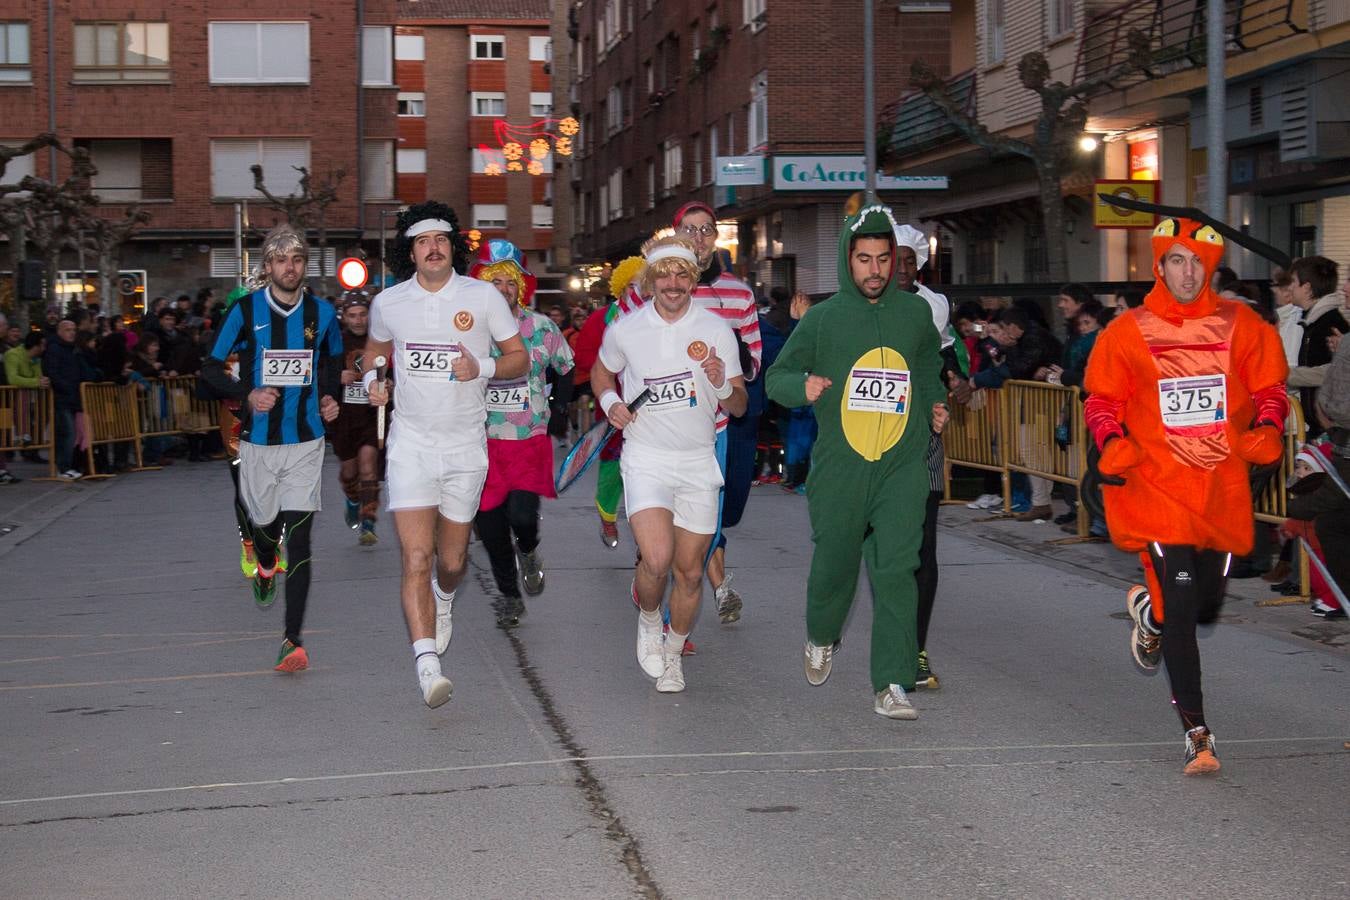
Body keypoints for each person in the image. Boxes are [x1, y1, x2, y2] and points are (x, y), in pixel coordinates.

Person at [1084, 216, 1289, 775]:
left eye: (1196, 260)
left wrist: (1268, 428)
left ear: (1211, 266)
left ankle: (1148, 612)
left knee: (1201, 607)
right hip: (1158, 491)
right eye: (1176, 259)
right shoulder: (1128, 331)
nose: (1187, 270)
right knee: (1182, 610)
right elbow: (1101, 400)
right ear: (1159, 265)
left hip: (1219, 492)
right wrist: (1115, 441)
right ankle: (1197, 733)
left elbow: (1271, 388)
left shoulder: (1241, 324)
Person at [765, 203, 945, 720]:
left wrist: (935, 403)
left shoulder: (915, 315)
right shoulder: (823, 319)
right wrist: (803, 386)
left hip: (902, 465)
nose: (875, 270)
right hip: (841, 467)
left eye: (883, 258)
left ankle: (892, 681)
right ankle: (821, 634)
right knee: (835, 565)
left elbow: (929, 367)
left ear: (895, 261)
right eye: (864, 259)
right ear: (848, 261)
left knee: (897, 570)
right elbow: (778, 378)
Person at [361, 202, 527, 709]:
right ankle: (427, 665)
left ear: (452, 246)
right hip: (411, 445)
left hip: (464, 449)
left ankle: (446, 596)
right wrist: (373, 380)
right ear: (409, 251)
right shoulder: (389, 302)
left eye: (440, 239)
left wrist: (479, 368)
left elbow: (518, 359)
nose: (432, 247)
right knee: (415, 555)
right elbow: (373, 352)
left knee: (451, 561)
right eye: (421, 241)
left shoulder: (481, 297)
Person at [591, 234, 747, 693]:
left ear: (692, 279)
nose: (673, 283)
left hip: (697, 461)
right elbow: (602, 371)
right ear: (651, 280)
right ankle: (647, 618)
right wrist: (609, 400)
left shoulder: (716, 330)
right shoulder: (627, 328)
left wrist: (720, 383)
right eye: (664, 275)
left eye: (682, 273)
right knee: (656, 560)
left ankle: (675, 653)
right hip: (646, 459)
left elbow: (737, 406)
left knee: (691, 571)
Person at [201, 224, 344, 674]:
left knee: (300, 537)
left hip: (305, 440)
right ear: (268, 267)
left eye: (297, 259)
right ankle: (264, 560)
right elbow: (207, 368)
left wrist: (326, 395)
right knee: (264, 527)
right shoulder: (244, 311)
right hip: (259, 442)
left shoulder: (322, 313)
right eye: (281, 260)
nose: (290, 267)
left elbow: (333, 358)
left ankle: (292, 641)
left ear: (305, 265)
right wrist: (247, 393)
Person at [468, 239, 574, 628]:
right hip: (482, 442)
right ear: (481, 284)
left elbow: (566, 367)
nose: (503, 289)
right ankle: (510, 595)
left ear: (521, 287)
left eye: (509, 282)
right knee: (492, 529)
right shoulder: (470, 329)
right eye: (494, 281)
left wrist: (561, 409)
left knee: (522, 518)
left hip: (529, 439)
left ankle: (528, 550)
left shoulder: (541, 328)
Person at [892, 223, 964, 690]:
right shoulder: (858, 308)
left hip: (923, 439)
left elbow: (950, 360)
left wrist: (958, 381)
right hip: (870, 444)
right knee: (885, 552)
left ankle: (913, 649)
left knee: (923, 551)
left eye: (906, 260)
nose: (898, 268)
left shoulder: (933, 306)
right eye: (888, 259)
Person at [331, 291, 385, 545]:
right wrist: (337, 378)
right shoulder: (334, 342)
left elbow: (394, 370)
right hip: (344, 418)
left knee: (368, 463)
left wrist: (390, 384)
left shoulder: (380, 341)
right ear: (344, 317)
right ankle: (352, 498)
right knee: (349, 470)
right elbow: (320, 373)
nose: (358, 320)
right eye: (352, 315)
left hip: (371, 415)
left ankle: (368, 521)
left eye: (363, 314)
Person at [1286, 256, 1347, 438]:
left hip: (1332, 430)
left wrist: (1287, 375)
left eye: (1293, 282)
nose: (1289, 288)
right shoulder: (1312, 323)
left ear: (1307, 288)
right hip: (1321, 428)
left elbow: (1333, 373)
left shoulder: (1331, 325)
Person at [43, 318, 86, 480]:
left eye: (74, 329)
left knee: (69, 432)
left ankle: (66, 466)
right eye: (68, 330)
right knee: (66, 432)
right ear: (60, 331)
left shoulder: (72, 349)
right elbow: (53, 372)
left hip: (72, 396)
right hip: (62, 397)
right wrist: (66, 388)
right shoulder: (55, 349)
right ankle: (63, 466)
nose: (72, 333)